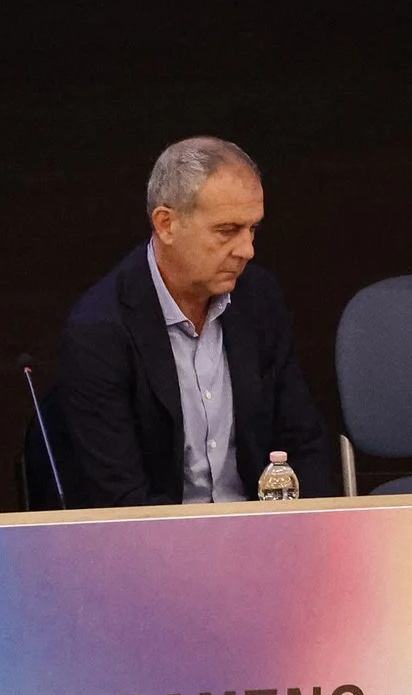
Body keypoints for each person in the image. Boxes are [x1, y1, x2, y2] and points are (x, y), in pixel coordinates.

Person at [56, 136, 337, 507]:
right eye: (227, 231)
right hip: (159, 548)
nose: (247, 250)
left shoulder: (258, 299)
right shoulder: (100, 329)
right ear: (166, 224)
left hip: (265, 535)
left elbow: (304, 442)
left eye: (253, 229)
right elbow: (119, 498)